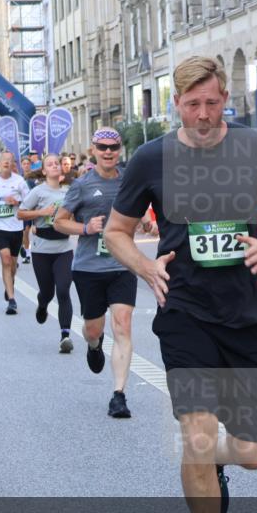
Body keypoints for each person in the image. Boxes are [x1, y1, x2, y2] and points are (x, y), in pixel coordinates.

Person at [105, 55, 257, 513]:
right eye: (192, 104)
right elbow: (117, 232)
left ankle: (214, 466)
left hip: (246, 314)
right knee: (196, 437)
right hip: (185, 313)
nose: (203, 114)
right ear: (176, 104)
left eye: (212, 103)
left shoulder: (256, 150)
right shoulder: (151, 158)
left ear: (226, 100)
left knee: (254, 455)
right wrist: (146, 268)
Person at [53, 128, 145, 418]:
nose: (108, 152)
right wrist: (85, 228)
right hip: (89, 268)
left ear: (120, 150)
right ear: (93, 150)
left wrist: (146, 221)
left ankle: (119, 395)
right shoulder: (81, 185)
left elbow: (140, 209)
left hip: (122, 265)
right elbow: (59, 222)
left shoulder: (129, 181)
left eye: (113, 147)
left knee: (123, 324)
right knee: (94, 329)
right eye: (102, 147)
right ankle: (94, 345)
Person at [19, 154, 74, 353]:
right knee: (47, 292)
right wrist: (41, 213)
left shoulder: (69, 192)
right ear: (44, 171)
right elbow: (20, 213)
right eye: (50, 164)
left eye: (57, 163)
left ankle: (65, 336)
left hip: (64, 248)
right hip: (42, 250)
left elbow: (76, 213)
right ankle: (42, 305)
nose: (54, 166)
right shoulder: (38, 192)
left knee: (63, 290)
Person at [0, 151, 29, 314]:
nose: (7, 162)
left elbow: (29, 201)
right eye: (4, 160)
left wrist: (17, 202)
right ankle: (12, 300)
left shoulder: (19, 181)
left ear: (13, 163)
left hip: (16, 228)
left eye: (10, 160)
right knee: (6, 260)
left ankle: (9, 283)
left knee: (12, 265)